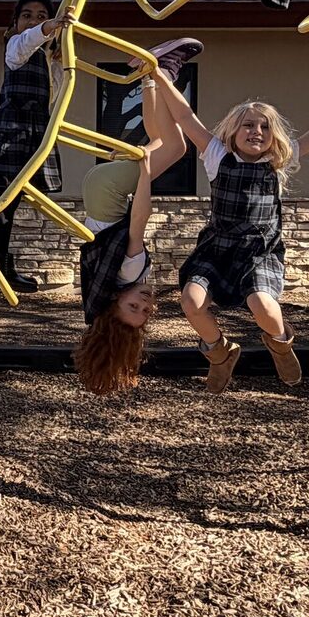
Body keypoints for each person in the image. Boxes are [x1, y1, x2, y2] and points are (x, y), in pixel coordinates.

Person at [156, 73, 309, 391]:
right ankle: (220, 352)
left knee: (263, 305)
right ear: (233, 131)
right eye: (248, 125)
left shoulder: (278, 163)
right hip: (218, 249)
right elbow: (184, 114)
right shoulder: (216, 155)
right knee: (191, 302)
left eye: (264, 126)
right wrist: (158, 75)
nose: (256, 132)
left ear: (273, 134)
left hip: (259, 252)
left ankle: (280, 344)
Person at [74, 39, 201, 395]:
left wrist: (144, 174)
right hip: (100, 194)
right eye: (145, 312)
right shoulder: (108, 285)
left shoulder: (128, 273)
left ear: (116, 301)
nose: (145, 303)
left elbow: (139, 221)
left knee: (174, 147)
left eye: (133, 306)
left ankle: (158, 71)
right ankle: (156, 74)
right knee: (165, 139)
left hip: (109, 193)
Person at [0, 0, 72, 293]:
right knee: (3, 199)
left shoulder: (46, 59)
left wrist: (59, 48)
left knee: (13, 200)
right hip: (10, 128)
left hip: (35, 128)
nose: (35, 20)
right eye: (27, 15)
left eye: (42, 15)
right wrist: (49, 26)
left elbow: (56, 92)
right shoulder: (15, 46)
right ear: (15, 24)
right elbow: (30, 40)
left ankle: (0, 267)